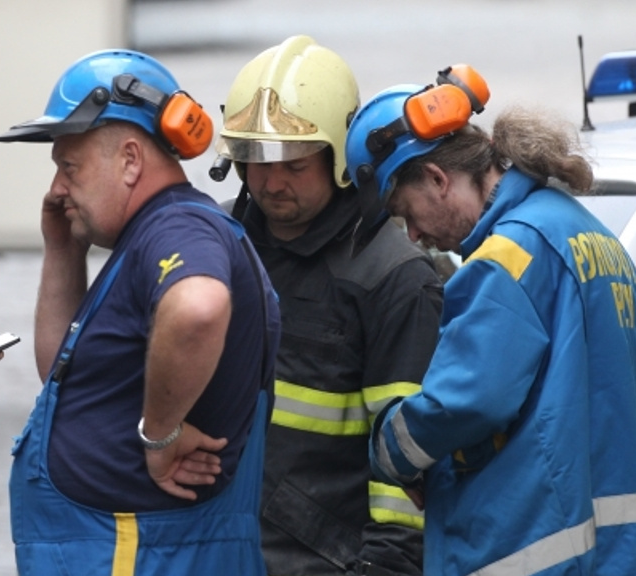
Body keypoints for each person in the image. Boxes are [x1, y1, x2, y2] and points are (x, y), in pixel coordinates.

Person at [345, 71, 636, 575]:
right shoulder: (592, 237)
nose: (415, 236)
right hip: (618, 557)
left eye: (406, 213)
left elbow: (464, 402)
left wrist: (389, 451)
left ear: (437, 179)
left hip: (535, 553)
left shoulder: (508, 258)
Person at [0, 48, 282, 576]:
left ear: (130, 160)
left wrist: (160, 434)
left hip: (143, 552)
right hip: (128, 547)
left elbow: (198, 308)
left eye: (69, 167)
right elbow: (63, 377)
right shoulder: (151, 231)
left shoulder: (177, 227)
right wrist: (63, 252)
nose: (57, 188)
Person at [211, 35, 443, 576]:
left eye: (294, 163)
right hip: (213, 547)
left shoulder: (393, 278)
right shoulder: (214, 243)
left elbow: (409, 458)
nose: (271, 181)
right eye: (255, 158)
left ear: (339, 157)